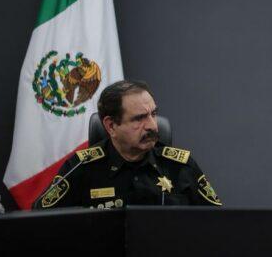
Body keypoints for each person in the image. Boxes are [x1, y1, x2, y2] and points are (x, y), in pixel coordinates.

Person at [33, 80, 222, 209]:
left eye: (153, 114)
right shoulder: (82, 167)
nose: (152, 125)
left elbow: (216, 224)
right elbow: (41, 218)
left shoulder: (180, 166)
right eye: (139, 118)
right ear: (111, 126)